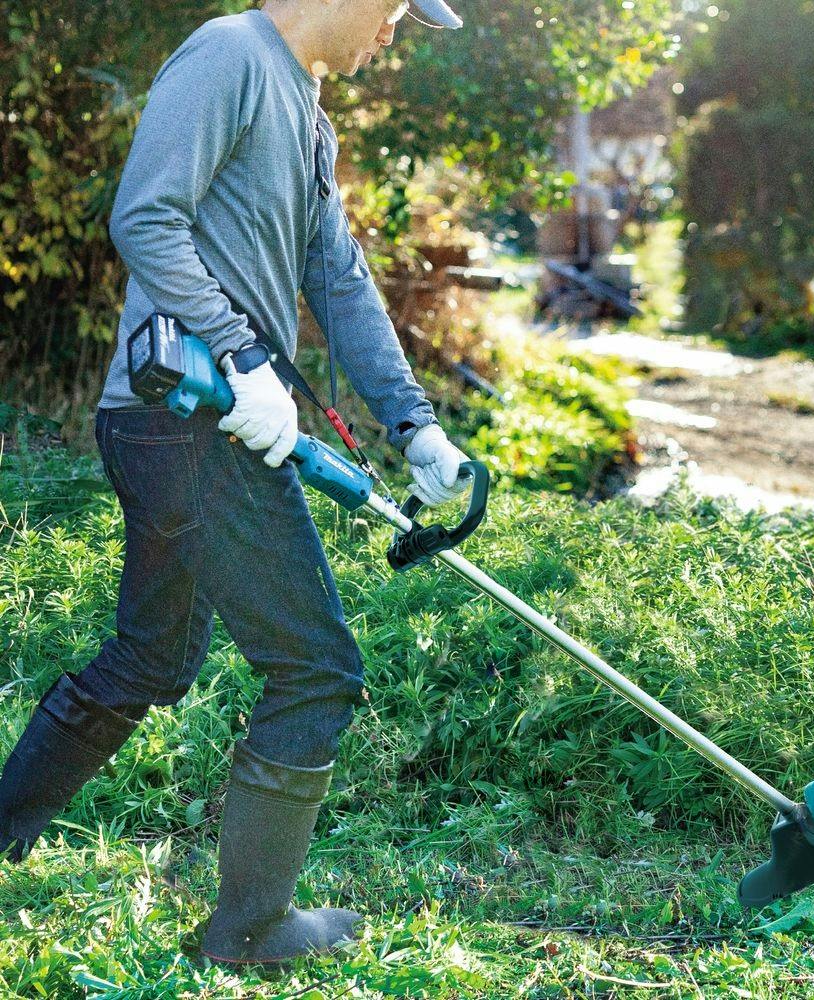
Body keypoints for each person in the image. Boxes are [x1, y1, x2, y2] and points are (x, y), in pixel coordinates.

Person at [0, 0, 468, 968]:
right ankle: (250, 931)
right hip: (186, 415)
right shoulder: (229, 56)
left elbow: (335, 278)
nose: (393, 33)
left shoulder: (309, 114)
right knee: (317, 665)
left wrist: (414, 423)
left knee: (153, 660)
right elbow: (143, 216)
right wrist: (244, 354)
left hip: (199, 424)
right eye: (392, 12)